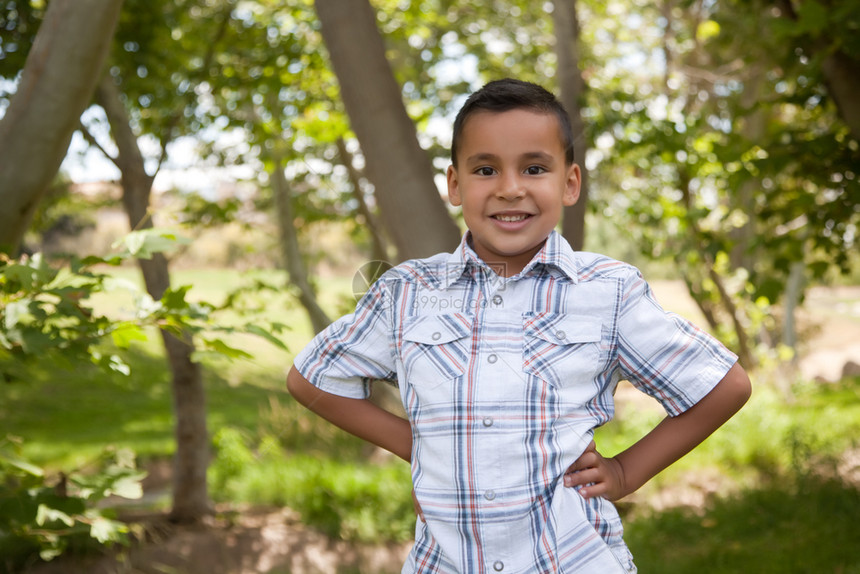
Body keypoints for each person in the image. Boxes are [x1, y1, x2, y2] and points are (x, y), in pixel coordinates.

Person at [287, 78, 752, 573]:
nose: (510, 188)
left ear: (569, 183)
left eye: (534, 168)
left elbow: (722, 387)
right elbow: (313, 378)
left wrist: (623, 471)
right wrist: (423, 449)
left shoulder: (608, 292)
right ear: (455, 185)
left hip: (572, 559)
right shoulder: (407, 291)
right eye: (485, 169)